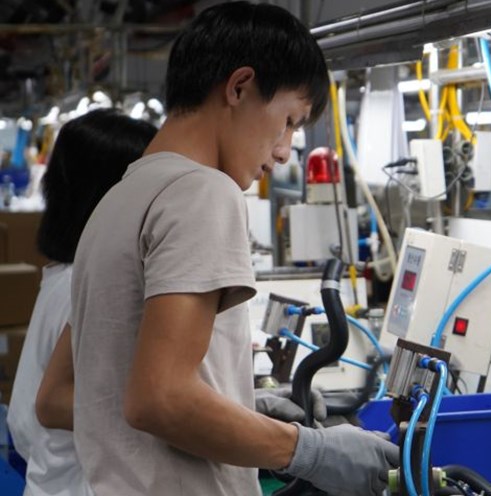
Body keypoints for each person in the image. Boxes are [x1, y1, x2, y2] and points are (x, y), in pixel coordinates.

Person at [63, 3, 398, 496]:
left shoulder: (121, 196)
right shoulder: (203, 191)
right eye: (288, 120)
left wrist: (238, 408)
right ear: (239, 87)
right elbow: (159, 398)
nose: (285, 151)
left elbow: (108, 389)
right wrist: (309, 450)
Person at [7, 108, 157, 496]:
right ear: (114, 193)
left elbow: (26, 421)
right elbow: (54, 405)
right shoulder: (88, 284)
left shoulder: (65, 275)